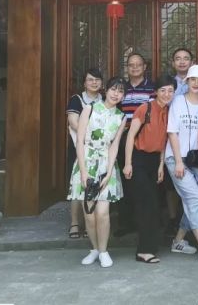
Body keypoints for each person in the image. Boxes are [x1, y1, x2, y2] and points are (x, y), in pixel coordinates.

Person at [68, 76, 127, 269]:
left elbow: (114, 145)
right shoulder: (89, 109)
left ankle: (103, 251)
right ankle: (94, 249)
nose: (116, 94)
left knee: (102, 213)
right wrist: (83, 171)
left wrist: (109, 173)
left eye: (120, 91)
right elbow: (80, 141)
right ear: (106, 90)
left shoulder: (121, 117)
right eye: (113, 89)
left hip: (106, 165)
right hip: (85, 162)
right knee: (89, 213)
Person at [165, 64, 198, 266]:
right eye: (192, 79)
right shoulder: (177, 101)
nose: (196, 83)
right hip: (176, 159)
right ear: (186, 81)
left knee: (197, 200)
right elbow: (172, 132)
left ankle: (178, 240)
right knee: (195, 198)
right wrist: (178, 161)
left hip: (196, 159)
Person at [122, 75, 175, 264]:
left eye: (170, 90)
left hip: (155, 161)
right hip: (139, 159)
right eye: (163, 90)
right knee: (147, 204)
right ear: (156, 92)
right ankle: (144, 250)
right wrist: (128, 163)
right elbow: (130, 136)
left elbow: (164, 141)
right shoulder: (145, 108)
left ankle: (149, 248)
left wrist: (161, 165)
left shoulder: (169, 112)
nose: (167, 94)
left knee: (154, 205)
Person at [115, 52, 155, 238]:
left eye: (138, 64)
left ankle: (144, 224)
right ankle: (126, 222)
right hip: (124, 139)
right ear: (127, 67)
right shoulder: (121, 88)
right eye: (131, 64)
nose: (135, 67)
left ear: (144, 67)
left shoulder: (152, 89)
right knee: (125, 181)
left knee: (144, 183)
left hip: (145, 140)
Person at [65, 68, 103, 239]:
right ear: (84, 83)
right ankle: (74, 223)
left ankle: (90, 225)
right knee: (78, 186)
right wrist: (92, 135)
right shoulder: (77, 99)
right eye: (90, 79)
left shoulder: (105, 100)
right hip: (79, 148)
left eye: (97, 79)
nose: (94, 82)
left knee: (96, 186)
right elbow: (73, 122)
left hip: (100, 150)